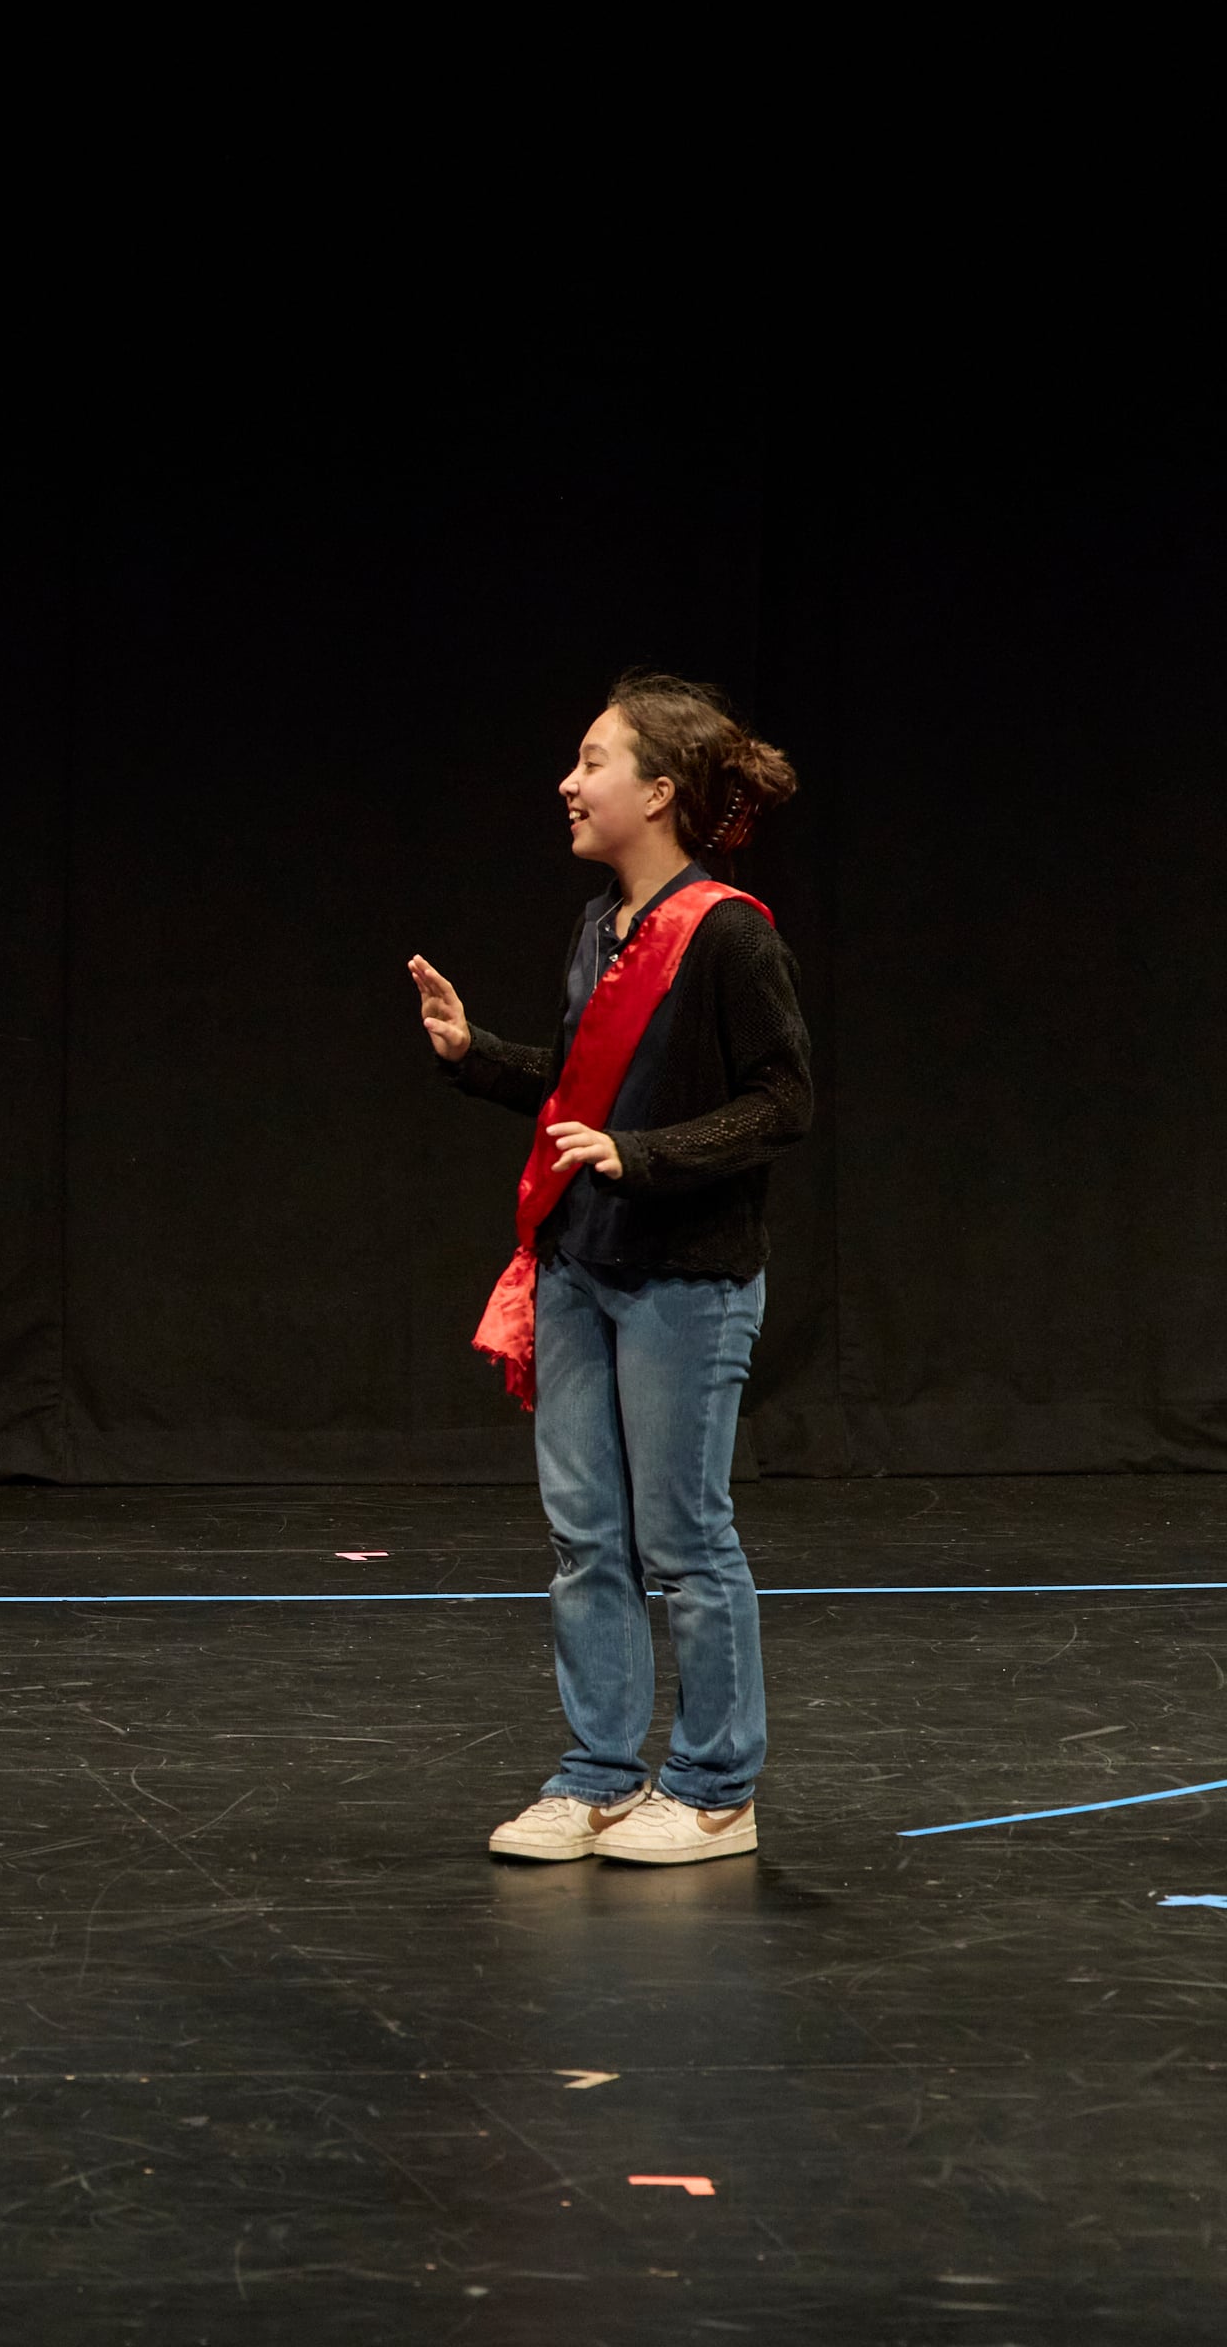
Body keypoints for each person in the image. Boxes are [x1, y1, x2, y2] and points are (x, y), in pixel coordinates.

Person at [416, 672, 808, 1869]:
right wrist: (476, 1055)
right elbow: (586, 1090)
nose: (569, 782)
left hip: (685, 1278)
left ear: (661, 790)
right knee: (587, 1536)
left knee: (683, 1539)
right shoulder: (600, 928)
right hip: (582, 1267)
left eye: (593, 760)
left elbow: (783, 1103)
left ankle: (713, 1786)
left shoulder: (728, 933)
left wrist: (643, 1158)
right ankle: (596, 1774)